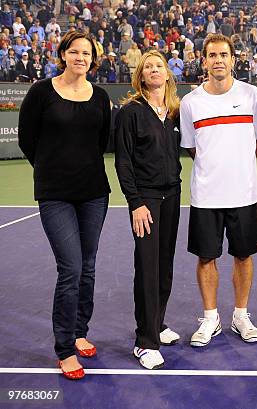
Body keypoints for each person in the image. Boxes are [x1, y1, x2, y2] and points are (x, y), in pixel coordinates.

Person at [18, 31, 111, 380]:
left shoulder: (100, 97)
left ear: (92, 59)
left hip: (93, 194)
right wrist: (50, 171)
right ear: (63, 54)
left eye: (86, 53)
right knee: (70, 268)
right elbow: (28, 139)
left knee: (87, 267)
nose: (80, 57)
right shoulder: (41, 92)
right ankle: (64, 348)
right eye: (74, 51)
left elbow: (101, 142)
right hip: (55, 194)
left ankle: (80, 330)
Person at [180, 34, 257, 348]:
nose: (218, 60)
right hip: (206, 195)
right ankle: (210, 317)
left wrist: (238, 165)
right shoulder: (191, 102)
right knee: (207, 257)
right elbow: (192, 148)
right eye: (212, 55)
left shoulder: (252, 95)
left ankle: (240, 315)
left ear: (233, 59)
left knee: (243, 255)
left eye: (224, 54)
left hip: (244, 193)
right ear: (204, 61)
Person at [114, 51, 182, 370]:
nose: (154, 70)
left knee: (164, 264)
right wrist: (136, 202)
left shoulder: (173, 112)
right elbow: (123, 161)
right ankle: (145, 341)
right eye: (148, 67)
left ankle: (158, 323)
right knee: (147, 266)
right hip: (147, 200)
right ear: (141, 76)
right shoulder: (131, 112)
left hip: (173, 196)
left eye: (159, 66)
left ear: (167, 74)